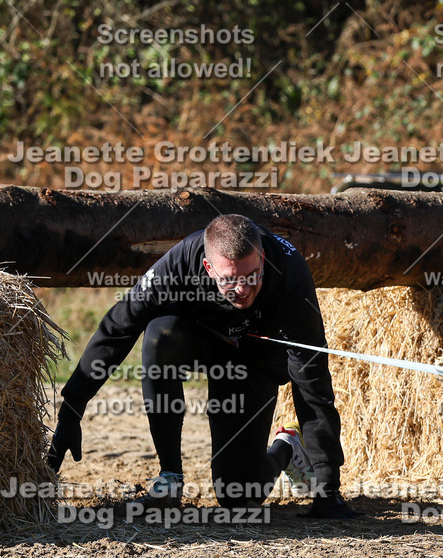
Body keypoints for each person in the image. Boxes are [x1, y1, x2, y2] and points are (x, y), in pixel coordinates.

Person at [47, 214, 357, 519]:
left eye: (252, 276)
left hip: (257, 361)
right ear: (208, 268)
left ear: (262, 257)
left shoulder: (290, 273)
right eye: (229, 280)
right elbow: (118, 328)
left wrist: (327, 488)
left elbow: (312, 381)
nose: (242, 290)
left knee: (238, 499)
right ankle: (169, 477)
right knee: (160, 334)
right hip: (204, 344)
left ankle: (287, 446)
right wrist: (72, 408)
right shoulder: (180, 263)